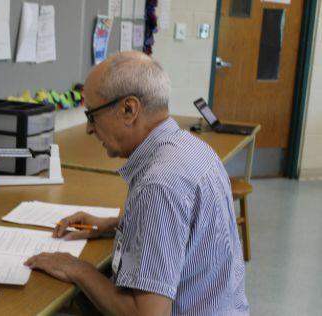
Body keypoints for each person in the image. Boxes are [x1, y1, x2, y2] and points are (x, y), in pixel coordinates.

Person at [24, 51, 249, 316]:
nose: (88, 129)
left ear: (129, 110)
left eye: (92, 115)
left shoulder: (158, 186)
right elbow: (185, 229)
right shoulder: (193, 149)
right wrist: (115, 225)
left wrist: (79, 268)